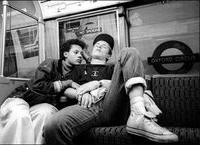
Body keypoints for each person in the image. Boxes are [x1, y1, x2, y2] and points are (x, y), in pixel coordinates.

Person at [44, 34, 179, 145]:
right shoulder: (78, 68)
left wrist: (98, 83)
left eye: (104, 46)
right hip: (88, 106)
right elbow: (66, 89)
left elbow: (125, 84)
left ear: (108, 55)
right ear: (91, 51)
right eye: (97, 44)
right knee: (53, 125)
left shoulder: (114, 68)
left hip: (114, 104)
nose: (99, 45)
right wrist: (81, 93)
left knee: (129, 52)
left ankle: (138, 116)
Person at [0, 38, 87, 144]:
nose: (80, 56)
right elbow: (38, 85)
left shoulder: (77, 73)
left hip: (41, 104)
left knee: (48, 113)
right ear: (65, 54)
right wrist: (66, 83)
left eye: (81, 54)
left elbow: (94, 71)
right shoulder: (51, 63)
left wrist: (88, 60)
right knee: (21, 116)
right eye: (76, 52)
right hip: (22, 98)